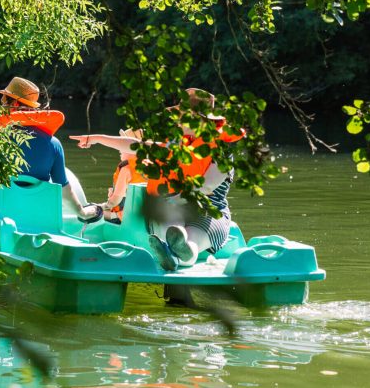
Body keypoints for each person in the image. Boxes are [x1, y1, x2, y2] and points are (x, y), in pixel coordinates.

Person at [143, 89, 244, 272]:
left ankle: (182, 252)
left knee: (192, 239)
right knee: (172, 221)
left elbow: (207, 186)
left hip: (210, 212)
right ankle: (174, 246)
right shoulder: (177, 145)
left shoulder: (222, 150)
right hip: (176, 208)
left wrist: (177, 199)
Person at [0, 77, 102, 222]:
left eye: (3, 102)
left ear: (14, 104)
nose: (1, 106)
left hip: (0, 216)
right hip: (39, 218)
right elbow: (63, 187)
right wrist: (82, 212)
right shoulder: (54, 144)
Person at [70, 129, 146, 222]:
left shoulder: (126, 170)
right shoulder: (151, 168)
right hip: (142, 217)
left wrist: (101, 206)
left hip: (122, 218)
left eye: (123, 145)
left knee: (86, 215)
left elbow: (114, 202)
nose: (119, 149)